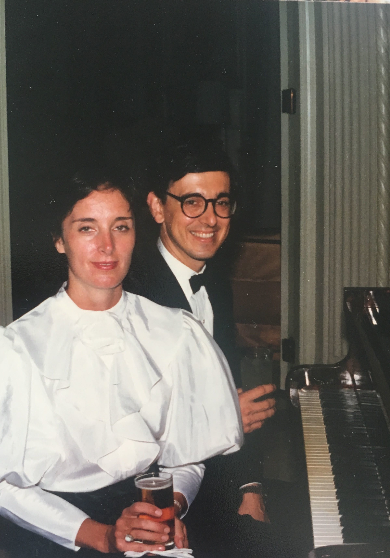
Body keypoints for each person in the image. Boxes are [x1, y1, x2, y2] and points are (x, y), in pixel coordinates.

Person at [0, 169, 243, 557]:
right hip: (61, 531)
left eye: (121, 227)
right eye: (86, 228)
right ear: (59, 240)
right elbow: (4, 489)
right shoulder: (14, 349)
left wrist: (167, 510)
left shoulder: (177, 333)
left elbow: (189, 456)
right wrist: (102, 536)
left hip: (152, 519)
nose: (107, 246)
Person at [123, 140, 280, 555]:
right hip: (145, 499)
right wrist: (222, 417)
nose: (210, 219)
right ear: (158, 207)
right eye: (193, 202)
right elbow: (127, 428)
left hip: (214, 479)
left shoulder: (215, 284)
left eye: (221, 202)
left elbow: (234, 398)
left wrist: (250, 488)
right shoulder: (132, 296)